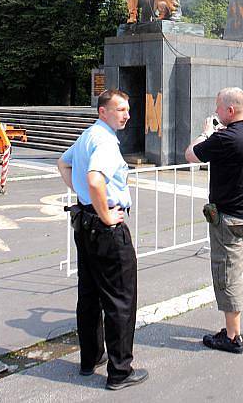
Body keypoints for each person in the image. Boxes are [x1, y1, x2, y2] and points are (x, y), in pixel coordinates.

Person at [57, 89, 148, 390]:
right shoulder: (106, 141)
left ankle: (89, 359)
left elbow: (62, 163)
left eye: (128, 109)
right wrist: (106, 213)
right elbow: (96, 179)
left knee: (90, 294)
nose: (126, 114)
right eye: (119, 109)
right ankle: (120, 371)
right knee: (120, 299)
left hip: (84, 223)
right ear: (102, 111)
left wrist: (83, 195)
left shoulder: (88, 135)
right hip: (105, 228)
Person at [185, 87, 243, 354]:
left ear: (230, 110)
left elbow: (191, 155)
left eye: (218, 108)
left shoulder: (224, 139)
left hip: (231, 219)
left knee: (229, 273)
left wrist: (206, 133)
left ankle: (232, 335)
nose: (216, 113)